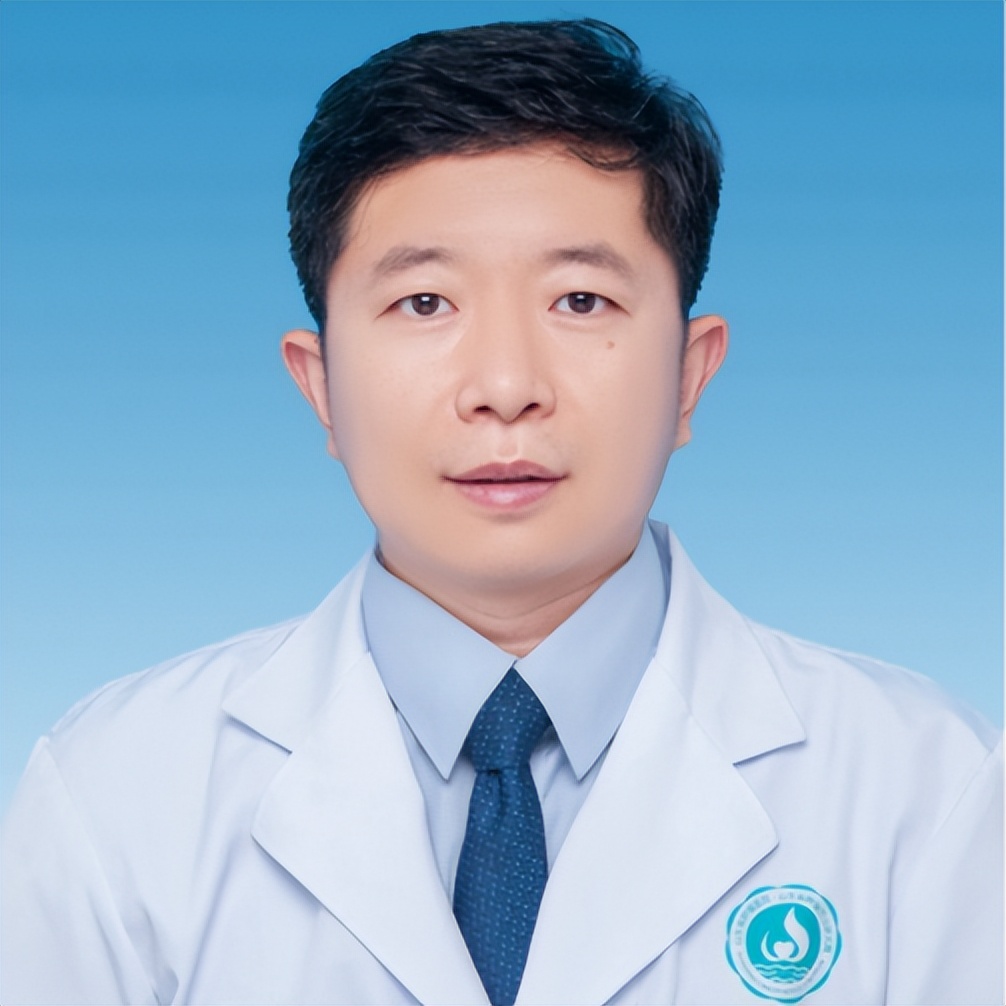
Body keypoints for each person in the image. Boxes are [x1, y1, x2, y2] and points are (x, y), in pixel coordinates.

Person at [2, 18, 1000, 1006]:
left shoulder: (928, 792)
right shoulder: (117, 793)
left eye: (580, 301)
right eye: (425, 303)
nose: (506, 387)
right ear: (321, 387)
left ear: (689, 377)